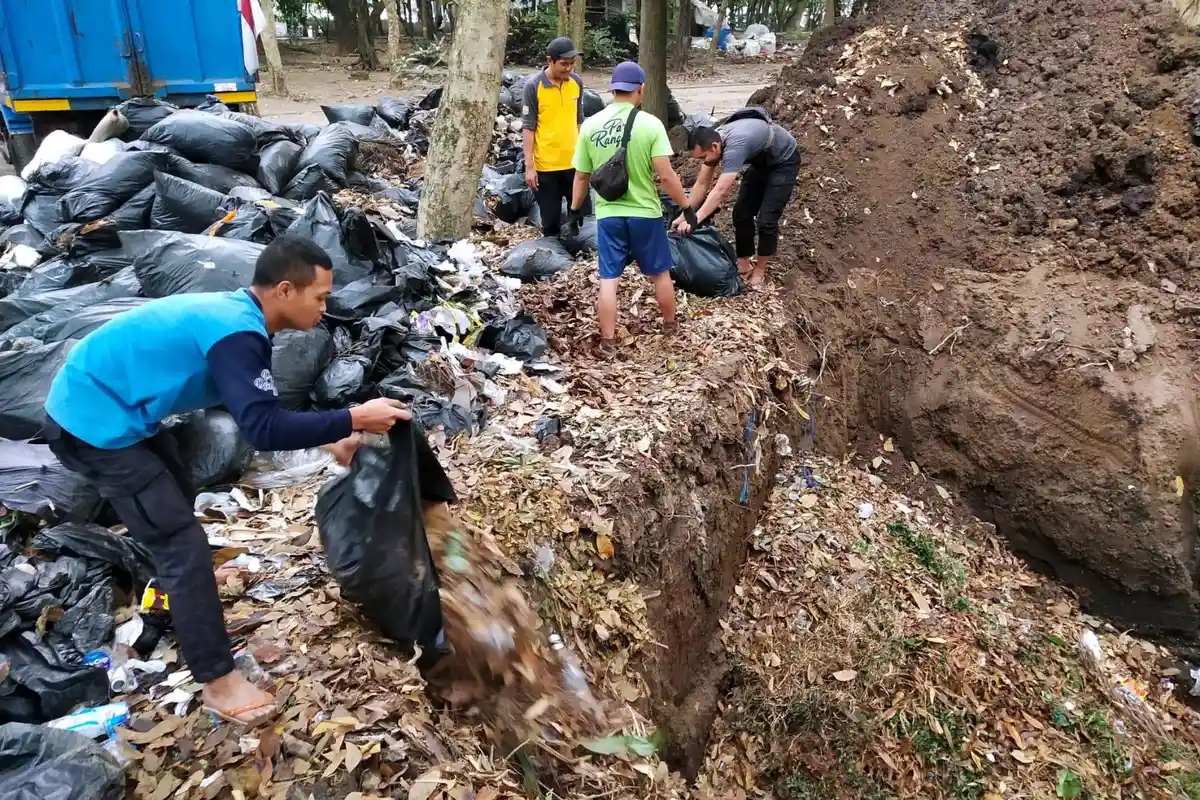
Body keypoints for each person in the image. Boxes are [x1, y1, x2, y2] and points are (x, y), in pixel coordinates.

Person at [42, 235, 410, 727]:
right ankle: (217, 682)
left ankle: (169, 610)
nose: (326, 309)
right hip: (92, 423)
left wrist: (329, 439)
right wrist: (352, 417)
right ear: (285, 290)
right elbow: (263, 427)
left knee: (175, 497)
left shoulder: (242, 319)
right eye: (320, 297)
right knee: (181, 542)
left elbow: (253, 409)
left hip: (123, 410)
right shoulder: (238, 331)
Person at [568, 61, 697, 358]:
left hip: (609, 215)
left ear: (613, 90)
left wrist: (575, 211)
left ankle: (609, 342)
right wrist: (686, 207)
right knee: (660, 274)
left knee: (609, 279)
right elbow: (666, 176)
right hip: (645, 214)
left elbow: (582, 176)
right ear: (640, 89)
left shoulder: (590, 125)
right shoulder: (650, 125)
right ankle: (669, 326)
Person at [674, 108, 801, 288]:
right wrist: (685, 214)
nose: (703, 162)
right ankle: (744, 263)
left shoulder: (735, 146)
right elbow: (701, 185)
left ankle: (760, 270)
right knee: (741, 213)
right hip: (760, 161)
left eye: (703, 157)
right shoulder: (713, 142)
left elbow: (721, 191)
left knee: (767, 219)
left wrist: (695, 220)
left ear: (715, 147)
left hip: (784, 161)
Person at [521, 36, 591, 236]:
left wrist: (586, 157)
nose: (569, 68)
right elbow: (528, 127)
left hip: (574, 164)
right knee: (550, 220)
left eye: (572, 64)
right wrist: (529, 166)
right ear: (549, 61)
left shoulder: (576, 82)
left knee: (581, 215)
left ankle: (580, 254)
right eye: (564, 64)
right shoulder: (534, 86)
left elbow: (579, 121)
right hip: (546, 166)